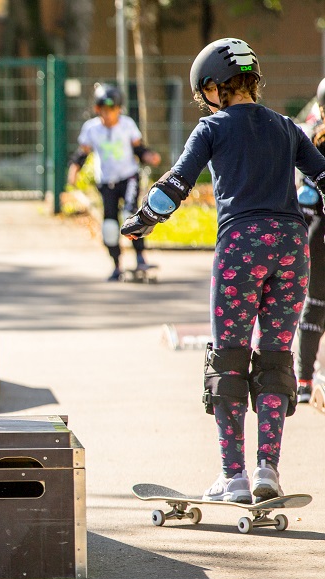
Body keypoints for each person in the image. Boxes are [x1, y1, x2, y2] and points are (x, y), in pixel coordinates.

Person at [122, 38, 325, 502]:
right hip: (292, 247)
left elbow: (175, 183)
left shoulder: (211, 128)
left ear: (214, 87)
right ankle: (267, 470)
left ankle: (233, 477)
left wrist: (143, 220)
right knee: (275, 356)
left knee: (229, 357)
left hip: (242, 248)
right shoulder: (287, 127)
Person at [68, 83, 161, 281]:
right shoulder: (91, 129)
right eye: (104, 110)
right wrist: (74, 169)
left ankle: (140, 257)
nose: (108, 115)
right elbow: (82, 154)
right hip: (106, 182)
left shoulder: (127, 125)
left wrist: (149, 156)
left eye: (113, 110)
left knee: (130, 215)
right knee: (109, 226)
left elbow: (138, 148)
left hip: (128, 177)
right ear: (97, 109)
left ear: (119, 109)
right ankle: (116, 265)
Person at [294, 78, 325, 403]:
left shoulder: (312, 135)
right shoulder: (314, 136)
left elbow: (305, 196)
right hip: (318, 229)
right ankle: (303, 378)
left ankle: (303, 380)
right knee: (315, 305)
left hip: (317, 230)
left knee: (315, 305)